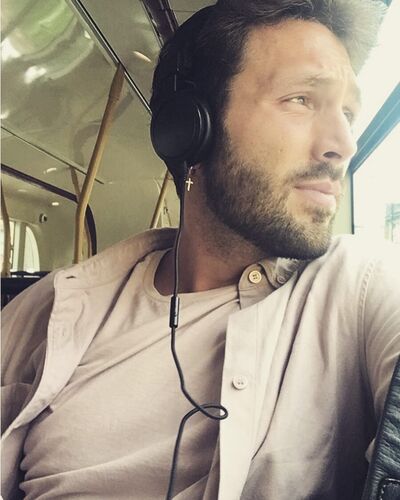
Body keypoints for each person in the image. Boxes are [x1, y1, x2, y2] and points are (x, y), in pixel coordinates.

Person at [2, 0, 399, 499]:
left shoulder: (362, 286)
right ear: (188, 130)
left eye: (347, 114)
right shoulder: (52, 308)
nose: (343, 144)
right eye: (301, 99)